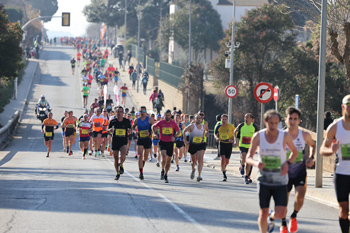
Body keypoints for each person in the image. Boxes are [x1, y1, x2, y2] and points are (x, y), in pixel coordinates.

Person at [246, 110, 298, 233]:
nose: (273, 126)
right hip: (264, 180)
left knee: (280, 213)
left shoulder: (284, 136)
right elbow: (248, 157)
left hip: (280, 180)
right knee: (262, 212)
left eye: (276, 123)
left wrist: (288, 163)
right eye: (270, 123)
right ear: (265, 122)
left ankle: (271, 217)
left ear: (279, 123)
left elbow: (295, 153)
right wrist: (257, 163)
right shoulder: (258, 136)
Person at [270, 107, 315, 233]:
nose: (292, 121)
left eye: (295, 119)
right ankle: (283, 224)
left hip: (300, 172)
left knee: (300, 198)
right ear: (285, 120)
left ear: (299, 121)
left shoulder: (304, 135)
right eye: (290, 118)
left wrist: (311, 157)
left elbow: (312, 145)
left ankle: (294, 216)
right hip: (284, 174)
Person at [320, 95, 350, 233]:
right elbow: (322, 149)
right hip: (342, 174)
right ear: (343, 107)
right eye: (348, 104)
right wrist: (331, 150)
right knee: (344, 211)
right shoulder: (335, 127)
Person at [152, 109, 180, 183]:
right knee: (164, 157)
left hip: (170, 143)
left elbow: (179, 131)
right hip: (162, 142)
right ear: (164, 115)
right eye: (166, 115)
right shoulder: (161, 122)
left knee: (168, 161)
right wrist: (154, 133)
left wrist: (175, 137)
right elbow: (153, 126)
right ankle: (162, 170)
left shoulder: (173, 123)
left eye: (169, 115)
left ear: (170, 116)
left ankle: (166, 174)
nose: (167, 117)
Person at [234, 113, 259, 184]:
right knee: (244, 157)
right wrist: (236, 140)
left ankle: (246, 177)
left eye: (247, 117)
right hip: (242, 145)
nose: (245, 119)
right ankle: (242, 166)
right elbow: (234, 132)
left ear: (251, 119)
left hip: (251, 146)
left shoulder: (254, 126)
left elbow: (258, 135)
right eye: (245, 117)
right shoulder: (241, 125)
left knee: (249, 162)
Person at [109, 106, 131, 180]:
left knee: (123, 155)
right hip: (115, 141)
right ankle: (117, 173)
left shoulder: (126, 121)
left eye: (121, 111)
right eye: (118, 111)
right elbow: (107, 129)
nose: (119, 113)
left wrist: (129, 131)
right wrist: (110, 130)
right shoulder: (113, 121)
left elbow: (130, 129)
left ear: (123, 113)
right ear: (115, 113)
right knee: (115, 158)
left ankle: (121, 164)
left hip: (123, 141)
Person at [132, 106, 155, 180]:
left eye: (143, 111)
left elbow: (155, 128)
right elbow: (132, 127)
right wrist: (135, 131)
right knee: (140, 155)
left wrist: (150, 132)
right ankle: (141, 173)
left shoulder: (150, 119)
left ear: (146, 112)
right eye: (140, 112)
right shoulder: (137, 120)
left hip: (147, 139)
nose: (142, 113)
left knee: (145, 157)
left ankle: (143, 162)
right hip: (140, 139)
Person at [183, 114, 205, 181]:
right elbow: (184, 131)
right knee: (193, 161)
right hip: (192, 145)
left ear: (201, 120)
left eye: (199, 118)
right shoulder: (192, 126)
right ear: (195, 119)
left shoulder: (203, 127)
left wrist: (203, 138)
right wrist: (185, 140)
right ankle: (193, 170)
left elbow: (204, 133)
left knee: (200, 159)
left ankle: (199, 175)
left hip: (200, 145)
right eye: (197, 118)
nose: (198, 119)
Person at [214, 114, 235, 181]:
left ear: (227, 120)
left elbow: (235, 133)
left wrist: (233, 140)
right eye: (223, 119)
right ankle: (224, 174)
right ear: (221, 120)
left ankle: (224, 167)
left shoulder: (231, 126)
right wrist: (217, 138)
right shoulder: (218, 126)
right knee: (222, 160)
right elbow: (215, 133)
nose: (224, 121)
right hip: (222, 143)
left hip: (229, 144)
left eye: (225, 119)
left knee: (227, 161)